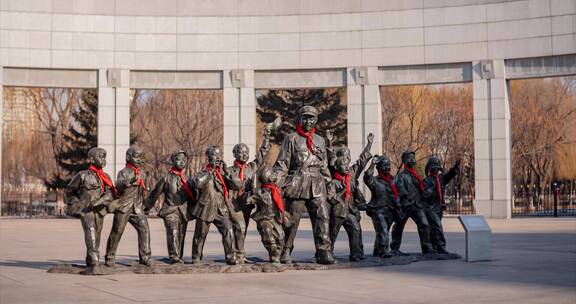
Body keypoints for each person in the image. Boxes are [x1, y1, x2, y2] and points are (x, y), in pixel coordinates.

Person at [273, 105, 335, 264]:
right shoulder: (291, 138)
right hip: (298, 182)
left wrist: (329, 185)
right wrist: (277, 183)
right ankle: (286, 249)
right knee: (292, 219)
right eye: (305, 117)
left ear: (316, 120)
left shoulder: (320, 140)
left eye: (312, 118)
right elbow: (282, 164)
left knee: (323, 216)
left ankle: (323, 251)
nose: (308, 121)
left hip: (317, 182)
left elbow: (325, 165)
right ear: (299, 119)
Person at [326, 132, 373, 261]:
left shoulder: (351, 174)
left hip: (350, 210)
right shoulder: (333, 180)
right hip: (337, 212)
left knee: (355, 229)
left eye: (347, 164)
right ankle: (327, 253)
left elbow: (362, 161)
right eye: (343, 165)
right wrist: (329, 142)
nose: (346, 167)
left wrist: (369, 144)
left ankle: (356, 253)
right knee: (332, 233)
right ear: (336, 166)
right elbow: (331, 197)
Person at [65, 147, 116, 268]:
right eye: (101, 157)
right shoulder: (82, 176)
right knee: (91, 231)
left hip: (99, 210)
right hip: (85, 209)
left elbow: (111, 192)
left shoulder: (106, 177)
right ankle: (94, 259)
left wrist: (103, 200)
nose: (103, 160)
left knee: (97, 234)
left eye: (105, 157)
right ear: (92, 159)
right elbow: (69, 191)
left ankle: (90, 259)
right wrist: (76, 205)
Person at [226, 130, 271, 263]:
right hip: (234, 204)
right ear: (234, 154)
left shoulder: (252, 167)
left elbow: (263, 154)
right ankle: (238, 254)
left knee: (241, 229)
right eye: (240, 151)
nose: (244, 154)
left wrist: (266, 138)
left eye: (246, 152)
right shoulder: (229, 170)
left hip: (247, 203)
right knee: (240, 227)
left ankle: (235, 252)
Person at [189, 146, 237, 265]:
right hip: (205, 208)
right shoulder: (202, 173)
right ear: (209, 157)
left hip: (221, 210)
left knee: (228, 229)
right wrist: (210, 172)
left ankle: (231, 256)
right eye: (215, 155)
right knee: (200, 235)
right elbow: (198, 184)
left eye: (219, 155)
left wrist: (227, 172)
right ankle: (196, 257)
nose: (218, 157)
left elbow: (237, 186)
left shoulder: (223, 174)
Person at [105, 145, 151, 267]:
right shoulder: (123, 172)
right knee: (117, 231)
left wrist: (145, 204)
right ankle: (110, 256)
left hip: (137, 207)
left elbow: (143, 191)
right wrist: (127, 183)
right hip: (124, 207)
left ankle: (145, 256)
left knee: (144, 229)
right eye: (137, 157)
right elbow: (118, 186)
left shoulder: (143, 174)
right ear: (128, 157)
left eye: (141, 157)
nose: (139, 159)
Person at [145, 150, 195, 264]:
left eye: (183, 159)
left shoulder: (188, 179)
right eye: (178, 159)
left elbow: (194, 196)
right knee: (173, 232)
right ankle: (174, 257)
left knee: (181, 235)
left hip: (183, 212)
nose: (181, 162)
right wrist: (146, 207)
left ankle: (179, 257)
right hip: (170, 210)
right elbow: (155, 193)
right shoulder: (166, 178)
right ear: (172, 161)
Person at [392, 150, 435, 254]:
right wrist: (404, 193)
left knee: (424, 224)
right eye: (409, 158)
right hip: (405, 205)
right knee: (398, 226)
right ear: (404, 161)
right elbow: (398, 186)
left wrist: (426, 192)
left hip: (417, 205)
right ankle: (394, 248)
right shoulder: (401, 175)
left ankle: (427, 247)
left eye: (413, 158)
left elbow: (421, 189)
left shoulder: (416, 175)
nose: (412, 160)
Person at [246, 167, 290, 263]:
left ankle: (276, 256)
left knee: (281, 239)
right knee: (269, 238)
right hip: (264, 219)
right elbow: (248, 200)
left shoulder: (277, 191)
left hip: (275, 219)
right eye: (272, 174)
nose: (274, 175)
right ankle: (273, 256)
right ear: (267, 177)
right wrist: (252, 189)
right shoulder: (259, 192)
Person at [363, 154, 403, 258]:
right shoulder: (374, 181)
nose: (387, 168)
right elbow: (367, 177)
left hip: (390, 211)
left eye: (388, 165)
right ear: (378, 168)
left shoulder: (392, 181)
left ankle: (377, 250)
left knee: (382, 232)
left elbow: (397, 194)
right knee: (383, 230)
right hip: (377, 210)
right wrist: (372, 163)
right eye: (384, 165)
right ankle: (385, 250)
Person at [423, 156, 460, 254]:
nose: (436, 167)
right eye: (433, 165)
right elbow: (424, 194)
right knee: (437, 226)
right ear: (429, 167)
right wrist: (432, 188)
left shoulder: (441, 178)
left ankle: (433, 246)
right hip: (430, 208)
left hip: (439, 208)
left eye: (437, 165)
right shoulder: (426, 180)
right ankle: (441, 246)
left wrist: (454, 168)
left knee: (433, 228)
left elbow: (450, 175)